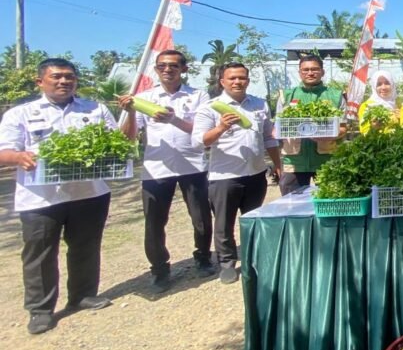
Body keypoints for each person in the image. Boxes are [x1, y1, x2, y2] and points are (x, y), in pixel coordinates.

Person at [0, 58, 134, 334]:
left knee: (86, 246)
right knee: (40, 253)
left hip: (90, 193)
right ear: (40, 82)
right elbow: (4, 152)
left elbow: (120, 142)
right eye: (57, 76)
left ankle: (82, 295)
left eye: (69, 77)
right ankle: (40, 310)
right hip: (40, 198)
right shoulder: (20, 114)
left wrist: (130, 116)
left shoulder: (94, 109)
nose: (64, 81)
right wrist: (19, 157)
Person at [118, 50, 214, 293]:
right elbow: (128, 137)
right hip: (156, 169)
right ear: (156, 70)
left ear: (184, 69)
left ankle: (203, 258)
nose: (167, 70)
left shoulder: (198, 96)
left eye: (173, 65)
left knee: (201, 218)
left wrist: (173, 120)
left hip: (192, 165)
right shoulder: (144, 99)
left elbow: (202, 132)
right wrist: (130, 111)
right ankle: (159, 270)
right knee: (154, 222)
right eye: (162, 66)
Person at [193, 63, 281, 285]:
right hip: (225, 176)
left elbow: (268, 137)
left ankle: (255, 257)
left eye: (242, 77)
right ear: (222, 81)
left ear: (248, 81)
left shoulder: (259, 104)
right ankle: (227, 263)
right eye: (232, 78)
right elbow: (199, 142)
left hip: (256, 173)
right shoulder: (211, 107)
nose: (237, 82)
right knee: (224, 223)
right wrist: (221, 128)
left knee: (253, 219)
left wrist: (277, 163)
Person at [275, 55, 344, 195]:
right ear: (299, 72)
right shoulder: (287, 96)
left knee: (330, 200)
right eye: (305, 70)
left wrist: (332, 135)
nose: (310, 73)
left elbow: (343, 128)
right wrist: (276, 131)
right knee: (292, 202)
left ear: (322, 72)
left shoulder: (336, 96)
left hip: (326, 160)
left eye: (315, 69)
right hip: (294, 162)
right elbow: (278, 126)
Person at [357, 69, 400, 134]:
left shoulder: (398, 105)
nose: (383, 87)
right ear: (374, 86)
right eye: (379, 84)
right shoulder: (367, 106)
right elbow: (364, 132)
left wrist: (402, 118)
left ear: (392, 84)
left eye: (387, 83)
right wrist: (373, 128)